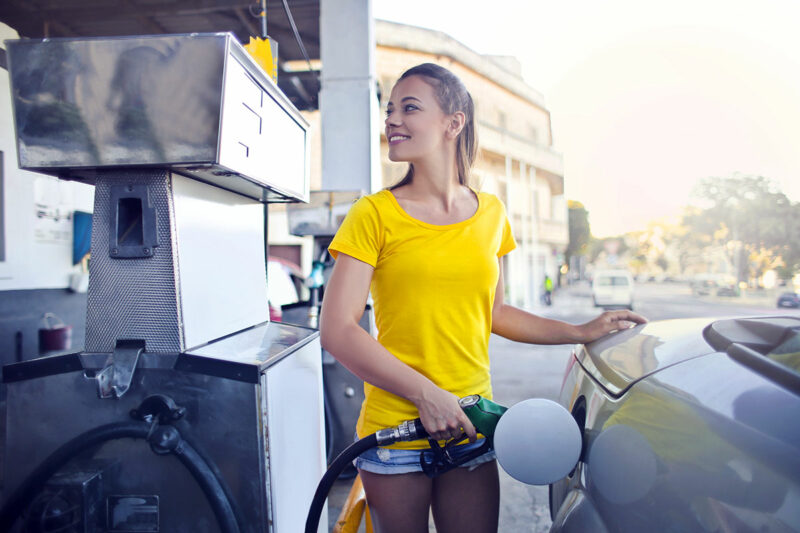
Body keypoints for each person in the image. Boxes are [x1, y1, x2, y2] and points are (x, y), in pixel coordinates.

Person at [320, 63, 647, 533]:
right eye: (389, 110)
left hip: (470, 427)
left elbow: (494, 312)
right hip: (394, 435)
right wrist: (425, 394)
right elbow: (338, 329)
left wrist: (580, 331)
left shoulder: (491, 214)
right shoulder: (373, 214)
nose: (392, 120)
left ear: (454, 122)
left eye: (409, 108)